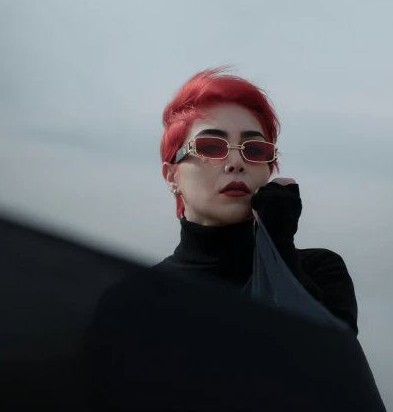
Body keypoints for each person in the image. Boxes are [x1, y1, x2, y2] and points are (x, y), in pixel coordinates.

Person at [83, 68, 369, 411]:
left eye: (255, 149)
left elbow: (323, 376)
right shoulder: (133, 300)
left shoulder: (319, 271)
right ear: (172, 175)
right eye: (210, 145)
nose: (235, 162)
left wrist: (278, 243)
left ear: (270, 170)